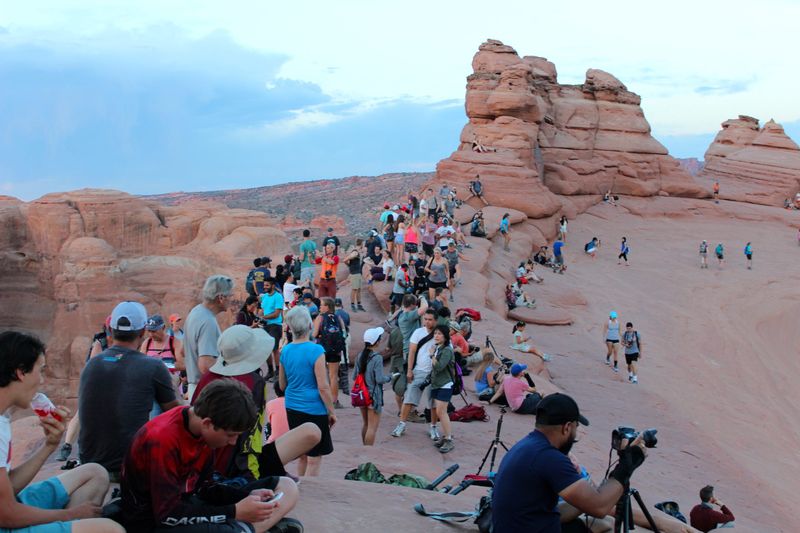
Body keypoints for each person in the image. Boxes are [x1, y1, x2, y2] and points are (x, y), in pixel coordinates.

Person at [120, 379, 302, 533]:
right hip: (152, 521)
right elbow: (167, 516)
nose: (233, 442)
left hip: (188, 502)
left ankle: (245, 527)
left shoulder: (202, 429)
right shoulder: (163, 440)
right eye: (230, 435)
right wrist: (234, 511)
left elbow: (205, 488)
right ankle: (246, 528)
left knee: (286, 485)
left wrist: (244, 496)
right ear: (207, 423)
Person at [0, 331, 123, 533]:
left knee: (94, 473)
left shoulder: (3, 417)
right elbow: (5, 514)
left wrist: (49, 445)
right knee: (111, 529)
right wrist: (69, 515)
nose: (41, 380)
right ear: (21, 372)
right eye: (40, 370)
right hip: (6, 518)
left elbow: (8, 487)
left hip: (8, 507)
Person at [492, 393, 648, 532]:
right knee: (601, 520)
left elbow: (552, 511)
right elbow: (600, 507)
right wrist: (627, 465)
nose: (575, 433)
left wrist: (587, 498)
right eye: (576, 427)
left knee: (603, 523)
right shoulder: (549, 457)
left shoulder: (527, 446)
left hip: (520, 526)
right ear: (566, 427)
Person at [191, 325, 321, 483]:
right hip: (235, 467)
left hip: (200, 464)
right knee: (311, 431)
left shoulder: (208, 378)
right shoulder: (253, 383)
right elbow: (250, 438)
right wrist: (252, 479)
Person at [79, 301, 180, 479]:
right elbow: (176, 412)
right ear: (142, 332)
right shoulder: (153, 366)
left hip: (90, 467)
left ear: (111, 330)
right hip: (130, 467)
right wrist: (176, 389)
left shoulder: (91, 365)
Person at [279, 306, 336, 476]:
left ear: (290, 328)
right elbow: (323, 386)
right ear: (310, 326)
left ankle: (300, 485)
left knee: (302, 453)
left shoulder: (285, 350)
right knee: (314, 458)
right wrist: (331, 411)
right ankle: (310, 488)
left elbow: (282, 385)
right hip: (314, 409)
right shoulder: (316, 350)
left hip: (292, 406)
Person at [58, 317, 114, 462]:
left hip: (110, 385)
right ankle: (67, 446)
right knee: (81, 414)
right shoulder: (100, 343)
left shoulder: (121, 343)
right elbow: (95, 364)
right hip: (94, 383)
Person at [184, 275, 234, 400]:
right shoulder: (208, 321)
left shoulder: (195, 312)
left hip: (196, 388)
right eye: (230, 296)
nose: (231, 299)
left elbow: (182, 351)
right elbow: (206, 365)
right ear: (221, 298)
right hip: (206, 391)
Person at [391, 309, 437, 438]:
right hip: (419, 370)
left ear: (436, 320)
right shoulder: (418, 332)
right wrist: (410, 370)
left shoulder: (440, 334)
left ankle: (433, 427)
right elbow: (411, 352)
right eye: (425, 319)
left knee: (433, 402)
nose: (427, 322)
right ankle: (401, 424)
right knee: (409, 399)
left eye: (430, 319)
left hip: (434, 373)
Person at [353, 327, 393, 446]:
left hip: (361, 394)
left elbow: (354, 376)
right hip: (373, 396)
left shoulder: (359, 356)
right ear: (376, 342)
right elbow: (379, 379)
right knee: (372, 427)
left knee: (366, 424)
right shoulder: (377, 358)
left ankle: (364, 448)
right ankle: (368, 453)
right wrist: (390, 377)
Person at [311, 298, 347, 409]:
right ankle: (334, 401)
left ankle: (322, 400)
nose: (320, 307)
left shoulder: (320, 318)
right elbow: (344, 333)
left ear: (327, 307)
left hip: (322, 349)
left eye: (322, 305)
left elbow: (314, 334)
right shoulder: (338, 317)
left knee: (321, 375)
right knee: (333, 376)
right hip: (335, 350)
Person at [428, 325, 456, 453]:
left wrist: (431, 355)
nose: (436, 336)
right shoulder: (439, 348)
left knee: (441, 412)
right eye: (435, 333)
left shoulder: (447, 350)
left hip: (445, 384)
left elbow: (439, 367)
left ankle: (448, 439)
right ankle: (445, 437)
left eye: (439, 334)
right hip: (437, 383)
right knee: (439, 412)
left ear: (445, 336)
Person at [259, 277, 284, 380]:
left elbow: (277, 314)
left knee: (274, 349)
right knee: (266, 349)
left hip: (275, 325)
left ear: (273, 286)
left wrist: (263, 317)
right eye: (264, 285)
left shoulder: (278, 297)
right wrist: (259, 316)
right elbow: (262, 310)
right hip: (266, 326)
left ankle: (278, 372)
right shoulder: (264, 296)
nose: (265, 287)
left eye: (267, 285)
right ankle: (270, 371)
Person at [344, 239, 366, 312]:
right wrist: (349, 266)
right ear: (361, 244)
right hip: (355, 273)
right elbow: (345, 260)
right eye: (363, 244)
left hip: (358, 272)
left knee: (358, 289)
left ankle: (359, 304)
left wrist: (349, 265)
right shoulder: (355, 252)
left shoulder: (357, 252)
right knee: (354, 289)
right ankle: (353, 305)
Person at [299, 229, 317, 296]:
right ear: (309, 235)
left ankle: (306, 299)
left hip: (305, 266)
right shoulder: (313, 244)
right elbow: (315, 254)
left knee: (305, 286)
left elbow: (302, 257)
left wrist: (298, 259)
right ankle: (313, 298)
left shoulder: (302, 245)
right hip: (312, 266)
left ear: (303, 235)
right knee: (312, 284)